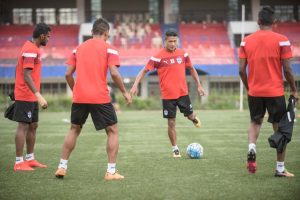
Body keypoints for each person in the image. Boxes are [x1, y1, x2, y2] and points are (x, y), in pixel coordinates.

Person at [55, 18, 132, 181]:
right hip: (99, 96)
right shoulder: (109, 49)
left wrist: (76, 90)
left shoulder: (78, 49)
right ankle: (110, 172)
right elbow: (115, 73)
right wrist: (125, 92)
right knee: (112, 130)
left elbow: (68, 74)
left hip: (79, 97)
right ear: (106, 33)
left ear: (92, 33)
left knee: (74, 129)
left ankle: (61, 166)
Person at [239, 6, 298, 177]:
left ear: (258, 22)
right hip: (275, 92)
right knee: (279, 129)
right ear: (274, 22)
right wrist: (294, 90)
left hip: (255, 91)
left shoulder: (246, 41)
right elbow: (287, 69)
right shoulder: (282, 40)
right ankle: (280, 169)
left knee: (255, 122)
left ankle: (252, 147)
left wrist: (249, 86)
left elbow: (241, 69)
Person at [130, 29, 205, 158]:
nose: (173, 44)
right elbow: (143, 71)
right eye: (170, 41)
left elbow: (192, 69)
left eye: (175, 41)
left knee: (190, 116)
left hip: (182, 94)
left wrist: (199, 85)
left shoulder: (183, 54)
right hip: (168, 97)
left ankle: (192, 118)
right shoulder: (157, 57)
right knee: (171, 123)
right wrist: (135, 85)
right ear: (165, 41)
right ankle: (175, 149)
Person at [12, 23, 51, 171]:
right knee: (23, 126)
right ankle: (18, 162)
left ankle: (30, 159)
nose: (48, 39)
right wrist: (39, 95)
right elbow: (26, 75)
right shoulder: (30, 49)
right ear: (41, 36)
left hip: (31, 95)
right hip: (25, 94)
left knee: (33, 125)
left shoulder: (33, 48)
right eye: (48, 36)